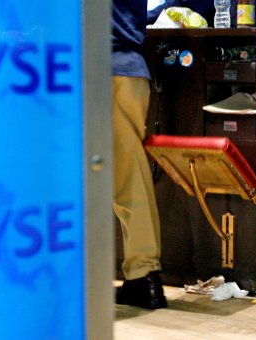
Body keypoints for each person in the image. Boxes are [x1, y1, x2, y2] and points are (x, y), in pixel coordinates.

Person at [112, 0, 167, 310]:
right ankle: (143, 277)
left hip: (94, 70)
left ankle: (143, 276)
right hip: (129, 71)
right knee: (130, 176)